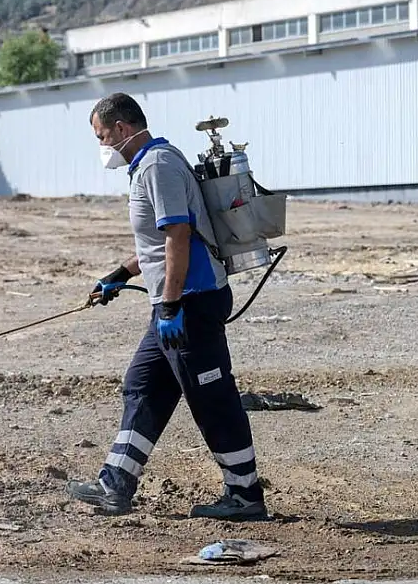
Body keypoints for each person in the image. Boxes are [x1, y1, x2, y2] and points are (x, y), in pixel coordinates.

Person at [64, 93, 266, 521]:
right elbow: (159, 243)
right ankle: (114, 484)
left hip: (190, 303)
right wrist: (121, 274)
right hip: (173, 305)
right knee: (142, 385)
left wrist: (171, 306)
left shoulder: (157, 165)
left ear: (122, 128)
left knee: (212, 399)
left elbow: (178, 236)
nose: (103, 147)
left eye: (102, 137)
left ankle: (245, 496)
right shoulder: (147, 166)